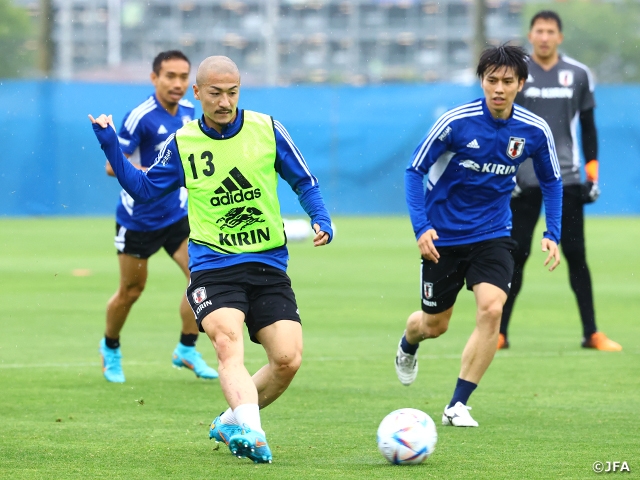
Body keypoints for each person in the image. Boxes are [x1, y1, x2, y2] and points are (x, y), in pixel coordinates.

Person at [89, 56, 332, 463]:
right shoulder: (184, 141)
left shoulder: (267, 129)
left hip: (268, 264)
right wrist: (110, 142)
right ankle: (253, 433)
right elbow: (144, 189)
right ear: (198, 93)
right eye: (215, 93)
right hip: (212, 266)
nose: (224, 102)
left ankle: (229, 420)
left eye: (232, 93)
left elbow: (303, 180)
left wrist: (320, 217)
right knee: (227, 342)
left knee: (287, 360)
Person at [394, 45, 562, 427]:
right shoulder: (456, 122)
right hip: (444, 237)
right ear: (481, 81)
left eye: (507, 81)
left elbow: (552, 182)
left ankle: (457, 404)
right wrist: (421, 228)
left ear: (520, 84)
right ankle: (408, 342)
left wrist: (553, 231)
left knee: (492, 308)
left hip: (493, 233)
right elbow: (413, 171)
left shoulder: (534, 130)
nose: (498, 89)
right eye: (491, 80)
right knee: (434, 325)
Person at [498, 11, 622, 352]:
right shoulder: (515, 74)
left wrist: (592, 173)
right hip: (523, 180)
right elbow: (503, 123)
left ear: (559, 37)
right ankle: (499, 333)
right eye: (539, 31)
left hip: (565, 178)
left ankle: (591, 334)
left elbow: (588, 126)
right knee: (516, 254)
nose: (544, 37)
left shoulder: (578, 74)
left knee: (576, 254)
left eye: (550, 31)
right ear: (530, 34)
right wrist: (507, 172)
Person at [99, 51, 218, 384]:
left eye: (184, 77)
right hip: (139, 221)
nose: (177, 83)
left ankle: (187, 348)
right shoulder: (141, 117)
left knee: (203, 280)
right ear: (154, 78)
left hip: (177, 216)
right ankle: (110, 347)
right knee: (132, 291)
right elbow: (113, 165)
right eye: (170, 76)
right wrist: (151, 176)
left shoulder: (193, 113)